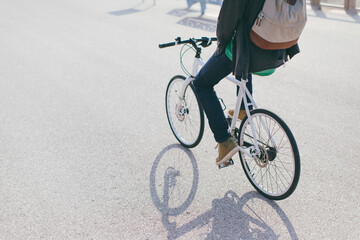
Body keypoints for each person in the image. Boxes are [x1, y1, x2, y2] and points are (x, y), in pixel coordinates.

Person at [192, 0, 300, 166]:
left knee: (201, 84)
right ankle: (244, 108)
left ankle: (224, 140)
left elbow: (227, 20)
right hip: (276, 52)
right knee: (243, 62)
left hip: (250, 51)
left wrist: (221, 43)